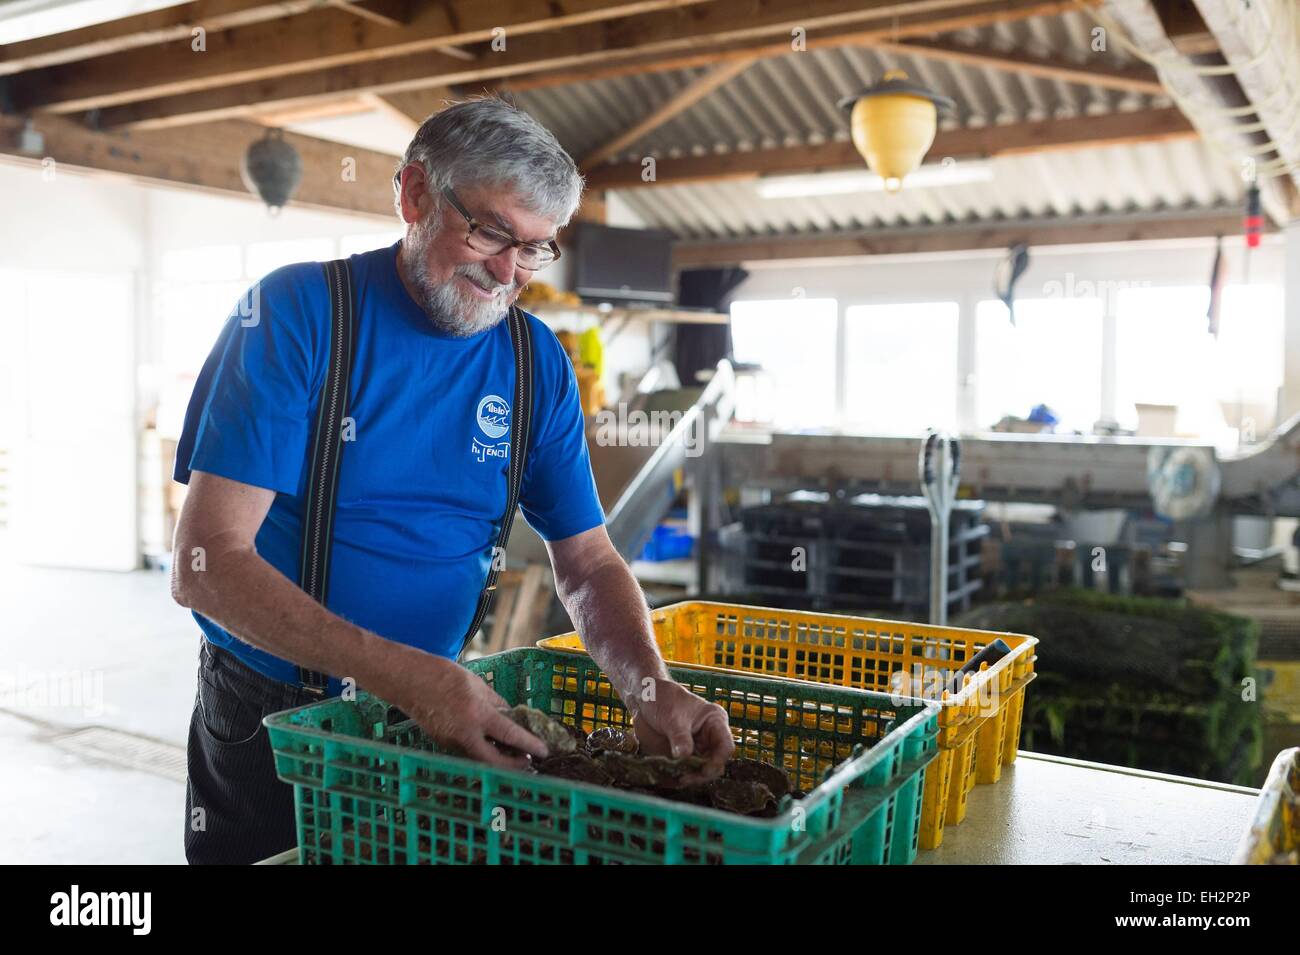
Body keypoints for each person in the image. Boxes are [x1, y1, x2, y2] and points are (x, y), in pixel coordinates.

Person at [171, 96, 734, 864]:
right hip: (282, 719)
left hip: (445, 713)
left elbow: (590, 561)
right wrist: (409, 677)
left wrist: (647, 685)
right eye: (491, 231)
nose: (509, 272)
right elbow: (205, 566)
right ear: (414, 194)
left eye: (536, 248)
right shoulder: (296, 314)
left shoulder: (537, 363)